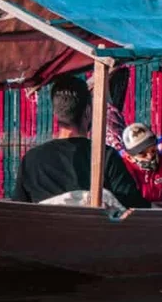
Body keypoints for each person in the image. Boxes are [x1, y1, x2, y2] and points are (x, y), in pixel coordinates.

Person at [12, 75, 150, 208]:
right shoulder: (106, 157)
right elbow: (134, 209)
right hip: (95, 231)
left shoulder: (31, 160)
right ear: (88, 112)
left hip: (47, 231)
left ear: (56, 114)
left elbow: (17, 211)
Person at [119, 122, 162, 205]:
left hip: (161, 212)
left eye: (153, 150)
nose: (149, 156)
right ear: (130, 157)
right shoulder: (121, 168)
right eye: (142, 154)